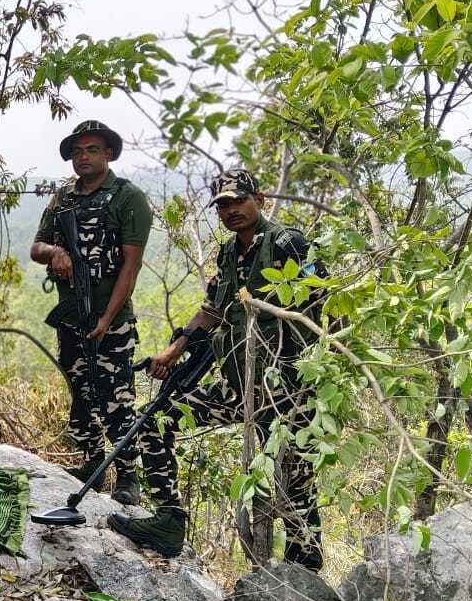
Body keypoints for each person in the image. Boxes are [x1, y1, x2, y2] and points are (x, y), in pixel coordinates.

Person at [108, 168, 324, 570]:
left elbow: (319, 305)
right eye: (222, 205)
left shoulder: (287, 243)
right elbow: (211, 309)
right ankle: (169, 522)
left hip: (286, 391)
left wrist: (304, 372)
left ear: (258, 198)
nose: (230, 211)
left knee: (296, 486)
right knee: (156, 422)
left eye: (238, 201)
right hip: (237, 385)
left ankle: (303, 574)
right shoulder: (228, 253)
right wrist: (175, 349)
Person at [30, 119, 173, 507]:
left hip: (112, 320)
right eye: (77, 151)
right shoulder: (63, 198)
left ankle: (128, 475)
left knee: (116, 399)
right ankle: (92, 463)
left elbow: (131, 266)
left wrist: (107, 319)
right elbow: (36, 247)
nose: (83, 157)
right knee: (80, 393)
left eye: (92, 149)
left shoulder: (128, 198)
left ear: (109, 153)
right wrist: (57, 252)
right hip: (72, 318)